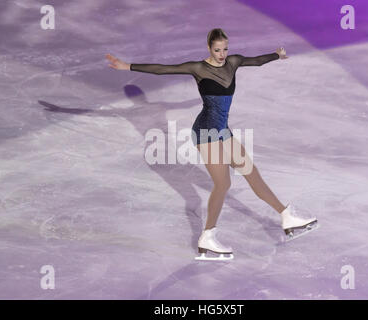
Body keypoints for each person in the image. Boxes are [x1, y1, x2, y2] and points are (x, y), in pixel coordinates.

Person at [106, 28, 317, 261]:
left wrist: (276, 55)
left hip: (222, 130)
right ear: (209, 48)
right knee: (222, 183)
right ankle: (207, 237)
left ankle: (286, 216)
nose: (222, 54)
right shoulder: (198, 68)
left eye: (225, 49)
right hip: (205, 131)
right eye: (217, 50)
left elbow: (255, 61)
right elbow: (163, 69)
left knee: (250, 172)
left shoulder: (233, 62)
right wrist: (127, 66)